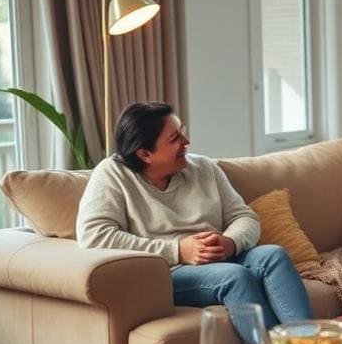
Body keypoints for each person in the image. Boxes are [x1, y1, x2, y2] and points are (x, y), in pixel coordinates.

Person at [76, 102, 312, 328]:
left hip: (221, 257)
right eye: (174, 138)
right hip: (166, 271)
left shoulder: (204, 167)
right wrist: (178, 251)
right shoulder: (113, 174)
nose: (186, 142)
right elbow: (94, 236)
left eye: (182, 132)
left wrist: (231, 242)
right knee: (235, 276)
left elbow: (244, 216)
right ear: (145, 154)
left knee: (274, 255)